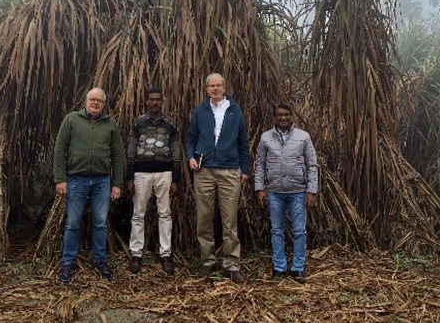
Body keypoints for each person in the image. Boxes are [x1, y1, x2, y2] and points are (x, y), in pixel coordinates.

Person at [53, 87, 124, 284]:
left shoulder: (110, 124)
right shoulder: (71, 120)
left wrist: (117, 183)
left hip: (102, 181)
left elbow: (117, 156)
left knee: (100, 223)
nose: (95, 103)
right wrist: (60, 179)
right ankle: (67, 263)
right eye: (92, 99)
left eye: (99, 101)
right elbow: (60, 151)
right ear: (85, 101)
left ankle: (100, 261)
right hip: (76, 180)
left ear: (104, 104)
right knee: (73, 223)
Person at [185, 73, 250, 284]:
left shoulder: (235, 110)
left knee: (229, 220)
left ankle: (231, 265)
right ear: (206, 89)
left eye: (219, 85)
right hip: (203, 171)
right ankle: (207, 261)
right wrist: (190, 157)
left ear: (224, 87)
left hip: (230, 171)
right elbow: (190, 138)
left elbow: (243, 142)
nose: (215, 89)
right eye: (211, 86)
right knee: (204, 218)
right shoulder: (200, 110)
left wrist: (245, 169)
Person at [254, 103, 318, 283]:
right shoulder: (265, 137)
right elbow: (260, 164)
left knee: (299, 231)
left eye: (286, 115)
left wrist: (311, 191)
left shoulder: (303, 137)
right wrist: (259, 188)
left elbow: (312, 164)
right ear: (274, 117)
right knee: (276, 230)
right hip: (274, 192)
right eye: (280, 115)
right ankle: (279, 268)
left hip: (298, 191)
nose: (283, 118)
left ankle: (298, 268)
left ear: (291, 116)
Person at [126, 87, 180, 276]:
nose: (155, 102)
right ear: (146, 102)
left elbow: (175, 152)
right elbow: (131, 149)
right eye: (151, 99)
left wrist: (175, 179)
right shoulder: (138, 123)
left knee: (165, 214)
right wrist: (130, 177)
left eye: (158, 99)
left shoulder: (170, 124)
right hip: (141, 174)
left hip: (164, 173)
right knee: (138, 214)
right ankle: (136, 254)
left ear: (162, 101)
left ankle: (165, 255)